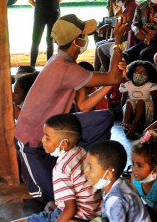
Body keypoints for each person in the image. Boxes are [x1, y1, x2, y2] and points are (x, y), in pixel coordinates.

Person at [14, 14, 126, 203]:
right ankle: (62, 164)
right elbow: (113, 78)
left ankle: (87, 165)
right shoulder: (66, 69)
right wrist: (118, 41)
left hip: (57, 131)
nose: (86, 40)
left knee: (104, 118)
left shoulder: (64, 62)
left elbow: (84, 104)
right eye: (83, 35)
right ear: (76, 41)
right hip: (33, 142)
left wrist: (111, 79)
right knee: (52, 198)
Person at [5, 114, 101, 222]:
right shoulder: (81, 152)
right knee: (50, 204)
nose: (42, 140)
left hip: (75, 216)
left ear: (63, 144)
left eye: (47, 137)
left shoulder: (61, 169)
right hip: (92, 214)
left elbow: (70, 208)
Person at [63, 140, 152, 222]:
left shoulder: (117, 199)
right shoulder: (115, 184)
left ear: (108, 174)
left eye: (90, 167)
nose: (85, 171)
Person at [28, 0, 64, 67]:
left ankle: (49, 66)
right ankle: (32, 66)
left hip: (53, 14)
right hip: (40, 14)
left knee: (50, 41)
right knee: (36, 40)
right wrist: (38, 7)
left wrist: (53, 6)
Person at [95, 0, 139, 72]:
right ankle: (97, 72)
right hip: (122, 38)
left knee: (101, 48)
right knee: (98, 44)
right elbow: (117, 21)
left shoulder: (133, 8)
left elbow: (129, 33)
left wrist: (117, 40)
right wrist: (105, 25)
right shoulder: (126, 6)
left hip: (128, 41)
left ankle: (109, 74)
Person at [120, 60, 157, 137]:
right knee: (129, 102)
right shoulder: (128, 84)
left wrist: (155, 119)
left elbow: (155, 101)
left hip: (145, 112)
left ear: (148, 76)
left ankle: (134, 125)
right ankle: (126, 124)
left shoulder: (150, 85)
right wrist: (123, 115)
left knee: (140, 102)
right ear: (132, 73)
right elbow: (123, 100)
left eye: (142, 72)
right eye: (137, 71)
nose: (139, 74)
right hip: (132, 111)